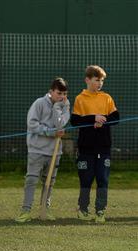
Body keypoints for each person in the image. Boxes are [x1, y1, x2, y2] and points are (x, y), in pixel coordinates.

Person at [15, 78, 70, 222]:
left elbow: (61, 124)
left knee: (49, 182)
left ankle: (45, 210)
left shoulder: (65, 105)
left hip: (54, 152)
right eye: (59, 93)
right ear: (51, 91)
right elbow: (32, 124)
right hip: (37, 150)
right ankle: (25, 211)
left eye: (64, 93)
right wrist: (50, 132)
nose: (62, 96)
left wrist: (58, 108)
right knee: (32, 180)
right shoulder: (39, 103)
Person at [70, 65, 119, 223]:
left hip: (103, 148)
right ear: (87, 80)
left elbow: (116, 118)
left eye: (102, 80)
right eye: (97, 80)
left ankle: (100, 211)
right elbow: (75, 121)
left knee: (102, 179)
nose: (100, 83)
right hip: (86, 148)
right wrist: (93, 119)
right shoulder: (80, 99)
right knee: (86, 179)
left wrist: (103, 121)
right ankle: (83, 209)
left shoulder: (107, 98)